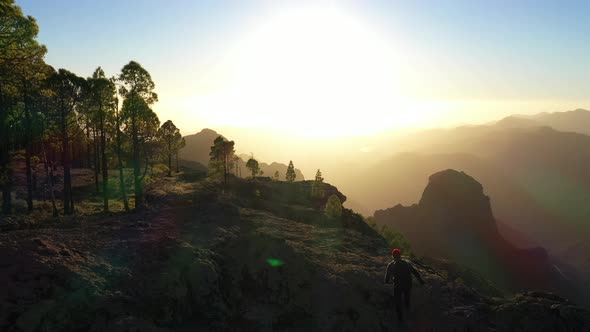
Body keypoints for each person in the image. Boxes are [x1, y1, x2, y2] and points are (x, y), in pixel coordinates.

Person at [384, 248, 425, 325]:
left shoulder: (391, 265)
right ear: (400, 255)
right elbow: (415, 272)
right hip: (407, 284)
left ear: (393, 256)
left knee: (398, 303)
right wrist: (421, 282)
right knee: (407, 299)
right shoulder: (407, 263)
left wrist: (387, 282)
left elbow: (386, 278)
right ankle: (408, 313)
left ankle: (400, 320)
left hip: (398, 286)